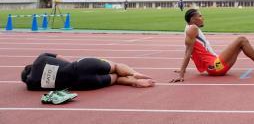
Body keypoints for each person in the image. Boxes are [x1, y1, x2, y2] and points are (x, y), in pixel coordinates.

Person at [170, 9, 254, 82]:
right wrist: (181, 75)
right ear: (193, 19)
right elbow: (188, 53)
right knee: (241, 40)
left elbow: (189, 52)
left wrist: (182, 70)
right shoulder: (192, 29)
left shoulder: (190, 29)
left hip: (216, 66)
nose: (202, 18)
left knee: (240, 44)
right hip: (214, 67)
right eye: (200, 16)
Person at [21, 53, 155, 91]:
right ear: (30, 66)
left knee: (114, 79)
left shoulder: (31, 84)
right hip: (81, 66)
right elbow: (62, 58)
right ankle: (134, 74)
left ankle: (134, 82)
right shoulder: (40, 59)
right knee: (115, 67)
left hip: (82, 84)